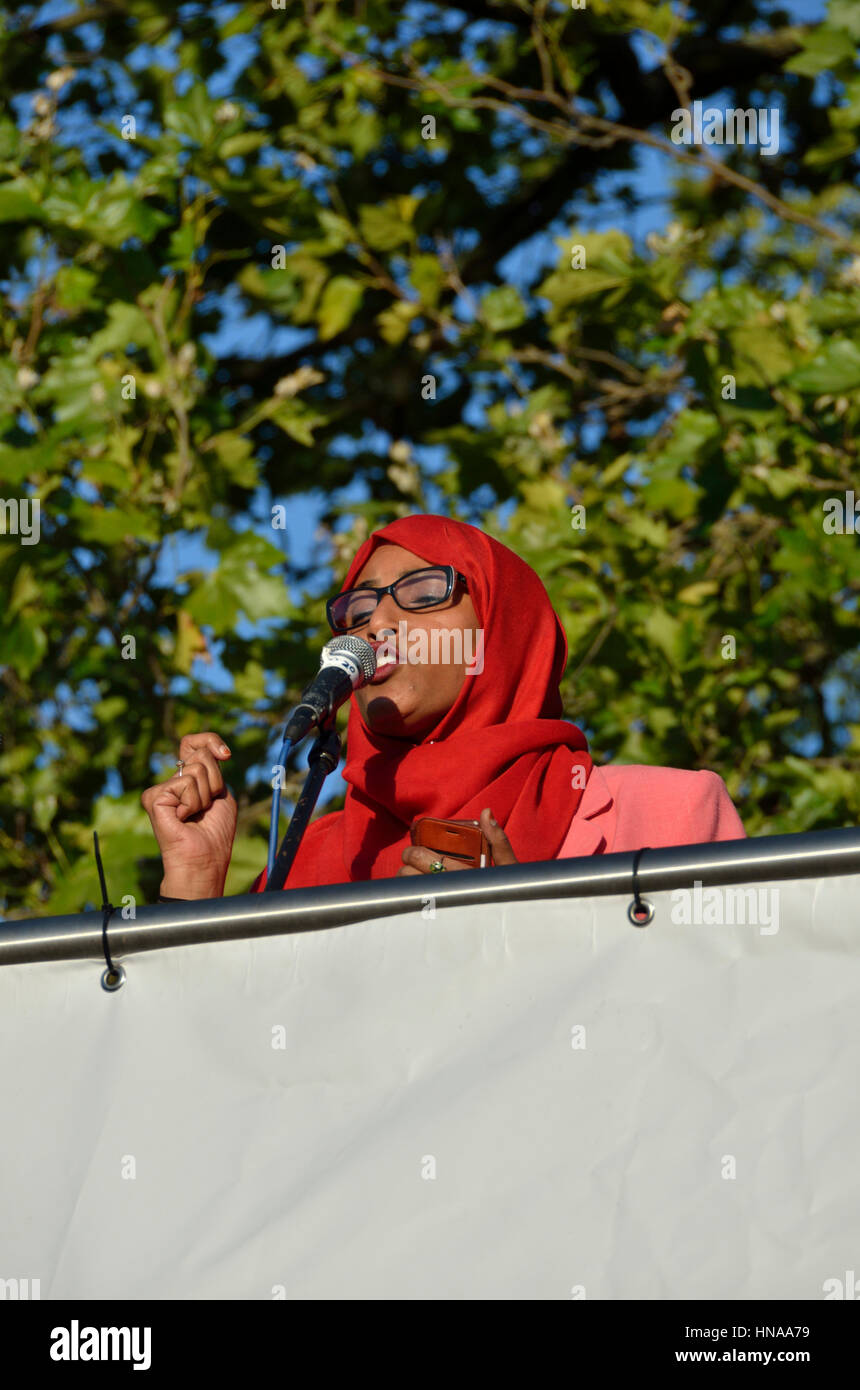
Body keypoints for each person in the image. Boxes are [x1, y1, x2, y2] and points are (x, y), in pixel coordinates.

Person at [141, 514, 745, 899]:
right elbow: (219, 1080)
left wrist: (520, 930)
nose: (377, 619)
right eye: (358, 608)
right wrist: (196, 883)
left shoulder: (670, 815)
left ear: (501, 632)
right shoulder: (302, 867)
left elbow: (726, 1038)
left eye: (424, 592)